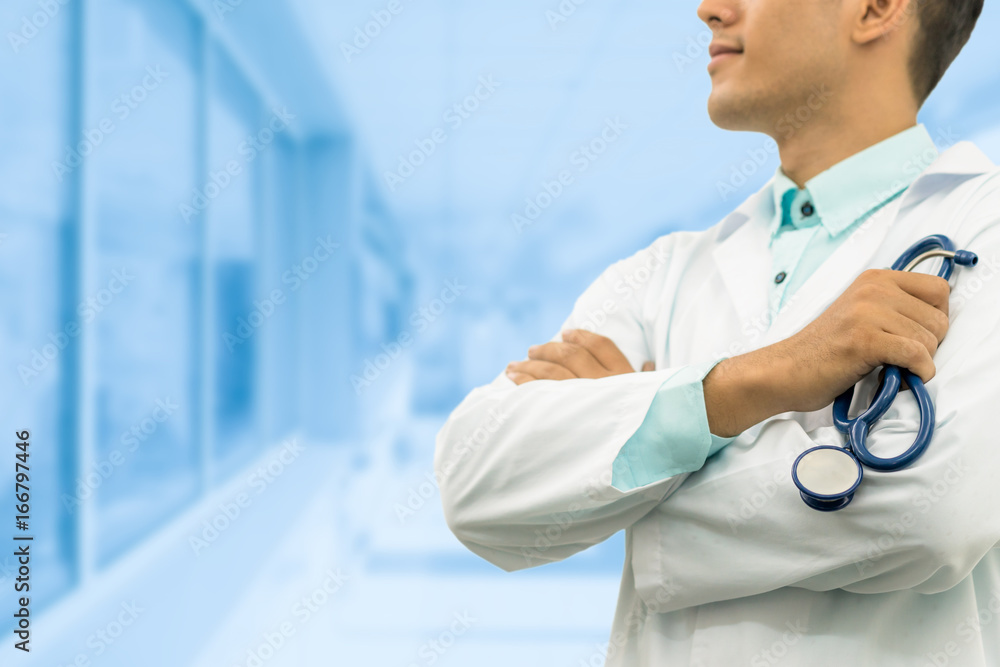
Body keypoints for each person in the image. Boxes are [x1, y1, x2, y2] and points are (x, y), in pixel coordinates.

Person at [435, 0, 1000, 663]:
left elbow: (932, 515)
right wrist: (756, 379)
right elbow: (478, 483)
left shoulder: (981, 225)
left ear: (876, 9)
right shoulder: (662, 272)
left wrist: (631, 473)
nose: (708, 9)